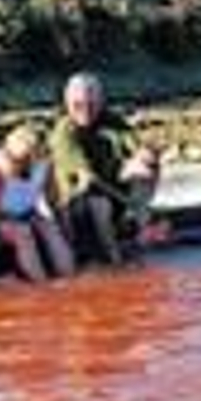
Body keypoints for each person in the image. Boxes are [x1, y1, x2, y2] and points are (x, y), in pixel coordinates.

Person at [49, 72, 159, 265]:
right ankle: (113, 258)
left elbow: (136, 145)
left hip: (111, 187)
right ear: (67, 103)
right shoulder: (64, 132)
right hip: (77, 198)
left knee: (145, 169)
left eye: (91, 104)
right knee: (100, 202)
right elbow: (86, 178)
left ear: (100, 101)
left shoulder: (111, 120)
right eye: (78, 105)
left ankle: (140, 226)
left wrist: (145, 155)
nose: (85, 110)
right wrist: (123, 191)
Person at [0, 124, 75, 282]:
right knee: (22, 232)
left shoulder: (45, 163)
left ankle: (71, 279)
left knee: (49, 227)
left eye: (31, 159)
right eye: (19, 161)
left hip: (20, 213)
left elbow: (55, 203)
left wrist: (68, 234)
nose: (23, 166)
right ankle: (41, 284)